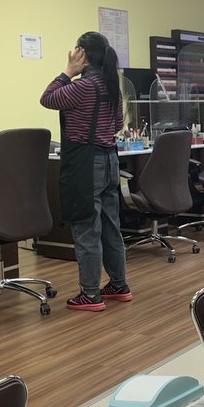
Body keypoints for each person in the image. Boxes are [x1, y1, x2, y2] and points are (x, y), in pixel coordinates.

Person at [40, 32, 131, 311]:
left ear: (83, 54)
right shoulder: (111, 85)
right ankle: (119, 285)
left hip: (86, 164)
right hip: (110, 160)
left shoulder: (83, 86)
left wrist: (68, 71)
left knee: (87, 228)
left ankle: (90, 294)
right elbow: (117, 123)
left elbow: (47, 98)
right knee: (110, 226)